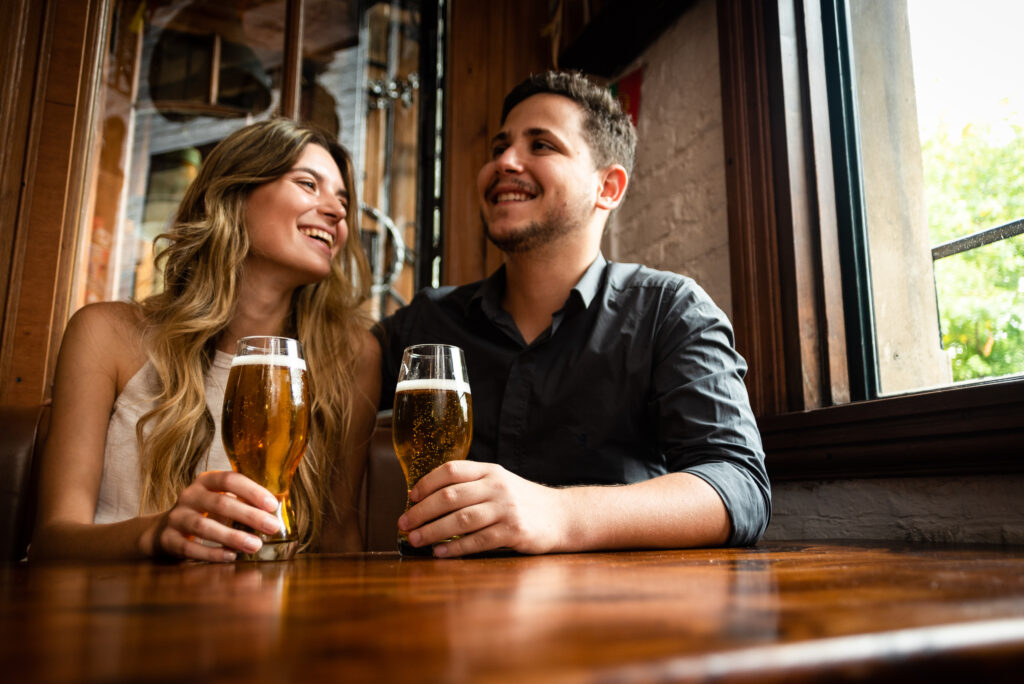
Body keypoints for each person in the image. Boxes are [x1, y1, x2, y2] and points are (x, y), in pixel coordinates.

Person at [377, 70, 770, 558]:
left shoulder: (669, 311)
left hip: (620, 618)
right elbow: (336, 363)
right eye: (499, 146)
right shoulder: (429, 319)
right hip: (448, 615)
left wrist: (559, 514)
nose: (505, 161)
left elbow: (739, 486)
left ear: (608, 186)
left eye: (540, 145)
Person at [30, 119, 380, 562]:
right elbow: (52, 542)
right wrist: (155, 534)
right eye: (308, 184)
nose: (337, 211)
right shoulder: (106, 334)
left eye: (343, 200)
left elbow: (338, 543)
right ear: (233, 196)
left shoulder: (350, 357)